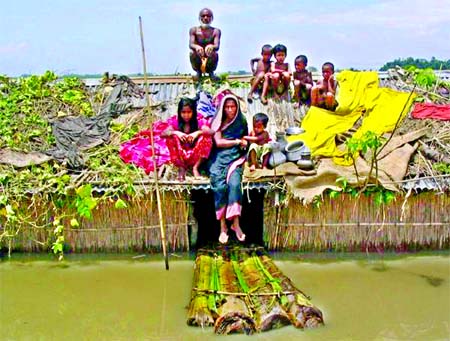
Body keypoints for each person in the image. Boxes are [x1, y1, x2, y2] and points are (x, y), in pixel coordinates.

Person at [209, 94, 248, 244]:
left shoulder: (241, 121)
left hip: (235, 158)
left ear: (237, 107)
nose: (230, 110)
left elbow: (246, 138)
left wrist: (243, 142)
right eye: (227, 107)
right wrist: (237, 141)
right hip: (219, 159)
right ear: (223, 107)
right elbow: (218, 142)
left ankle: (236, 223)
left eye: (233, 107)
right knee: (219, 187)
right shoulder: (217, 120)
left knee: (235, 185)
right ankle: (223, 226)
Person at [161, 97, 214, 181]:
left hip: (195, 155)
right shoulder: (175, 122)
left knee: (206, 137)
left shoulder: (198, 121)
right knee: (171, 138)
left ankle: (195, 168)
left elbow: (211, 132)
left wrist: (198, 133)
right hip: (181, 156)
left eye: (189, 112)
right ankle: (181, 167)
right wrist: (176, 132)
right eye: (183, 112)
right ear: (179, 112)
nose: (186, 115)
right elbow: (163, 134)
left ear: (193, 112)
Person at [189, 8, 221, 81]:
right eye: (203, 16)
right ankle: (198, 72)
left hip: (209, 56)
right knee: (192, 53)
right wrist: (197, 47)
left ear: (212, 18)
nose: (206, 18)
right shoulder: (194, 30)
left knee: (215, 54)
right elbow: (191, 44)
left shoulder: (216, 31)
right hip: (198, 56)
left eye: (208, 16)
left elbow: (217, 46)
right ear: (199, 18)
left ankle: (211, 72)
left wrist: (211, 46)